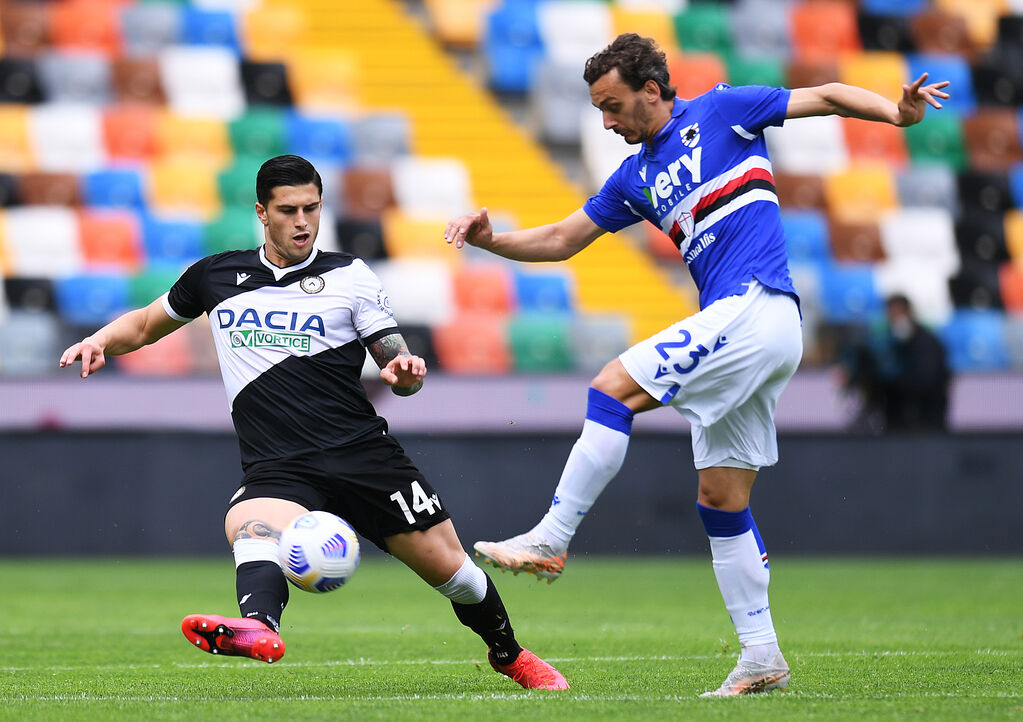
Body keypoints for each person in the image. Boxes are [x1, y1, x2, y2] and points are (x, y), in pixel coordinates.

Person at [444, 33, 950, 696]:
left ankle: (551, 534)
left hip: (756, 307)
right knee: (720, 499)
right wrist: (491, 241)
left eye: (614, 105)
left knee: (610, 390)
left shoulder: (722, 110)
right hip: (748, 329)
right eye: (598, 109)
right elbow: (563, 239)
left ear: (652, 90)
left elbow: (824, 94)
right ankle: (761, 656)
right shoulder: (635, 177)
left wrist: (896, 113)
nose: (606, 121)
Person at [59, 154, 568, 690]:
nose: (302, 221)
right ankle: (259, 628)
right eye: (288, 210)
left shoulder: (349, 275)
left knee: (456, 573)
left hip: (364, 455)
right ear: (262, 212)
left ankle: (510, 654)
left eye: (311, 208)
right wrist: (99, 341)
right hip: (280, 462)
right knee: (249, 525)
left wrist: (405, 373)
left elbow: (394, 356)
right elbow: (142, 325)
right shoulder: (215, 277)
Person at [845, 294, 950, 431]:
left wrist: (895, 379)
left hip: (927, 421)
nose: (894, 319)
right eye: (891, 315)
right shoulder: (889, 343)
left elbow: (927, 380)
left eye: (898, 314)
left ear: (909, 313)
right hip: (896, 422)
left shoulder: (928, 343)